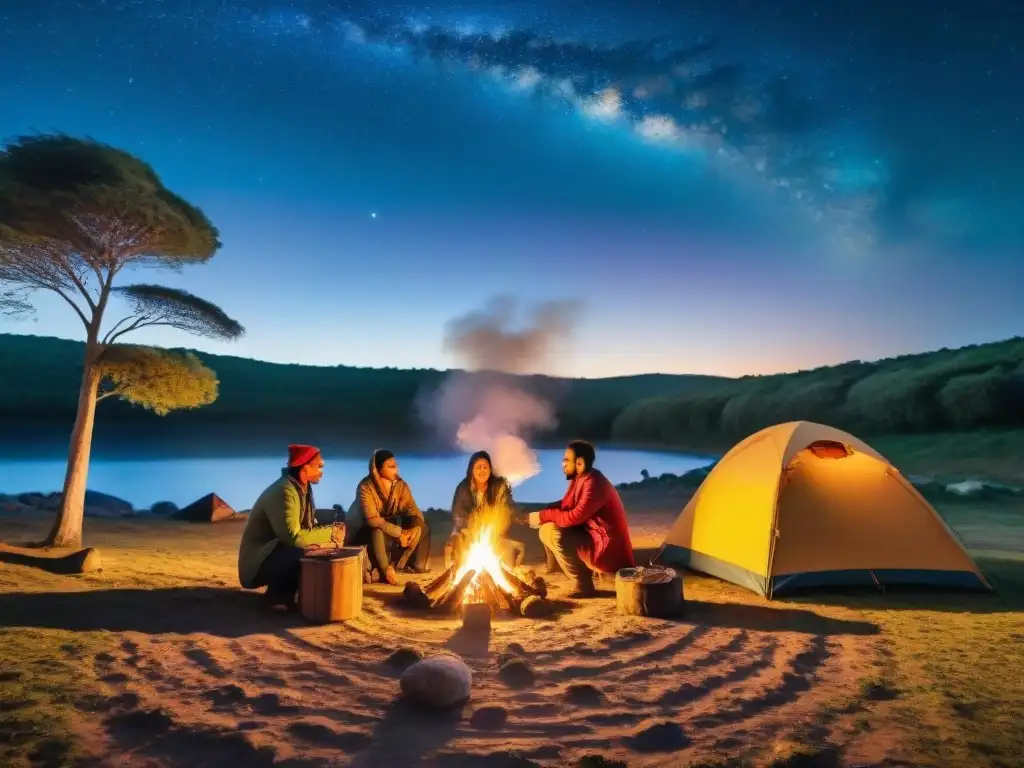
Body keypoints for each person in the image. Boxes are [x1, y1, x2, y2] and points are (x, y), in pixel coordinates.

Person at [237, 444, 345, 610]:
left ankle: (291, 595)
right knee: (298, 551)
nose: (321, 471)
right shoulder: (284, 492)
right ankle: (276, 598)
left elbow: (308, 522)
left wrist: (334, 522)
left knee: (313, 547)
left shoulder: (302, 487)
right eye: (318, 466)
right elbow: (292, 537)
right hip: (256, 562)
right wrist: (331, 533)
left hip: (274, 551)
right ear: (304, 467)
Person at [526, 440, 636, 598]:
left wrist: (542, 515)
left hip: (606, 548)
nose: (563, 464)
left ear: (580, 463)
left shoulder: (594, 484)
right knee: (546, 526)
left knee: (554, 531)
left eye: (566, 460)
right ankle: (558, 568)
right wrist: (543, 512)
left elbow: (573, 517)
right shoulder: (581, 478)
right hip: (593, 536)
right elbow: (566, 505)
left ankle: (583, 584)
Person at [347, 449, 431, 585]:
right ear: (378, 469)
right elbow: (373, 520)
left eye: (396, 466)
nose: (396, 469)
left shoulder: (400, 485)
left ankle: (416, 566)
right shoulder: (366, 487)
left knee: (423, 528)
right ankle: (385, 570)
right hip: (365, 528)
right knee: (377, 531)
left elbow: (413, 510)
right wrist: (400, 533)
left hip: (389, 524)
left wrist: (416, 526)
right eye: (391, 467)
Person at [449, 450, 525, 569]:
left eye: (485, 467)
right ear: (472, 470)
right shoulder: (463, 488)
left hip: (494, 533)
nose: (482, 470)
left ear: (490, 469)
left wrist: (523, 518)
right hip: (468, 531)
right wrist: (471, 527)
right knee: (463, 548)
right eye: (478, 467)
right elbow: (458, 514)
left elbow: (508, 508)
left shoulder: (498, 486)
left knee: (504, 562)